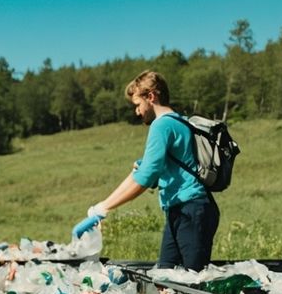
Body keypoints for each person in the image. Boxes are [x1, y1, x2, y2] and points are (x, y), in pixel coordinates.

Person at [72, 70, 219, 270]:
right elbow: (138, 174)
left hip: (191, 209)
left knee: (192, 281)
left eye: (138, 105)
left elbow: (145, 177)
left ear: (151, 97)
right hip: (182, 210)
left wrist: (104, 209)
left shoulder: (162, 125)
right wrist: (101, 207)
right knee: (165, 276)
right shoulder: (179, 121)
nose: (137, 112)